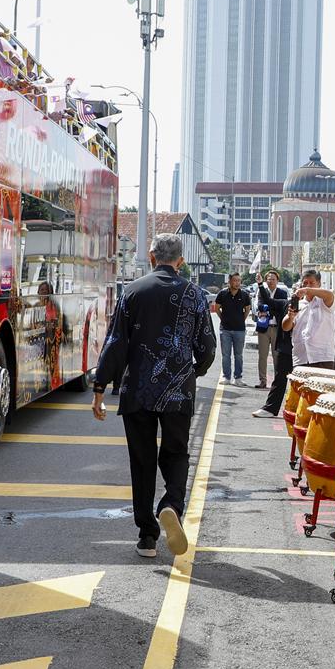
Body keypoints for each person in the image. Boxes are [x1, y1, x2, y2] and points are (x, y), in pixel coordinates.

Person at [93, 233, 217, 559]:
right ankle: (172, 504)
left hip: (138, 390)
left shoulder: (132, 291)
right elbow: (206, 347)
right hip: (178, 389)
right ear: (181, 261)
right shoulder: (195, 295)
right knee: (176, 452)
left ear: (151, 256)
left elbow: (116, 342)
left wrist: (99, 387)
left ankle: (147, 536)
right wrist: (195, 371)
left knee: (142, 460)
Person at [254, 278, 296, 418]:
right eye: (298, 290)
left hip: (307, 353)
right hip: (286, 348)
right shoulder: (285, 304)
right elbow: (267, 299)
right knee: (280, 378)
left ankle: (301, 413)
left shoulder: (319, 308)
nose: (301, 293)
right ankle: (271, 408)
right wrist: (260, 284)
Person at [289, 268, 335, 369]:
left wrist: (306, 290)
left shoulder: (324, 301)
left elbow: (329, 295)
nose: (308, 285)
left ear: (319, 284)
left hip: (322, 357)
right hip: (301, 356)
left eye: (311, 283)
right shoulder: (299, 304)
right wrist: (290, 317)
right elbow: (286, 326)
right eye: (305, 283)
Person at [211, 273, 252, 387]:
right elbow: (217, 308)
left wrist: (241, 320)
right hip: (225, 329)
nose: (237, 283)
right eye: (235, 280)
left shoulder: (244, 295)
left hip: (240, 329)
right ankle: (226, 377)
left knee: (238, 355)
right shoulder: (222, 294)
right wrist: (222, 318)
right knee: (226, 355)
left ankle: (238, 378)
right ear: (230, 282)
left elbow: (247, 309)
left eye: (239, 281)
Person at [253, 269, 286, 388]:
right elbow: (260, 305)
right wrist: (266, 308)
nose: (271, 281)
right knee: (262, 355)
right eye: (269, 279)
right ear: (265, 280)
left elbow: (280, 307)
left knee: (277, 355)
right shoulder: (262, 291)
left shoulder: (282, 293)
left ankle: (277, 381)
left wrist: (267, 310)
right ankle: (262, 380)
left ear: (277, 280)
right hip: (264, 328)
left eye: (273, 279)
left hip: (277, 328)